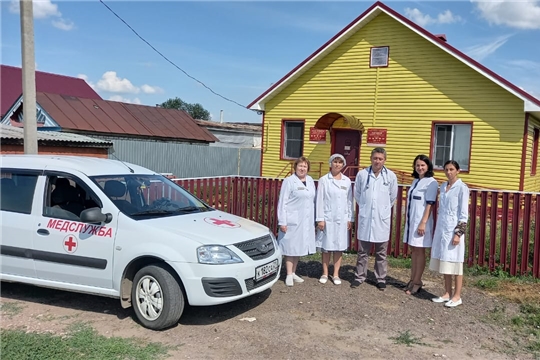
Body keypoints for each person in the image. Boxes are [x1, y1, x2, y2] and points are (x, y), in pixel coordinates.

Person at [351, 147, 398, 290]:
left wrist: (381, 209)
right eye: (375, 158)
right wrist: (367, 207)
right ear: (371, 158)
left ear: (385, 160)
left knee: (381, 253)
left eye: (380, 159)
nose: (377, 161)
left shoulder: (390, 176)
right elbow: (357, 195)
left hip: (381, 218)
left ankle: (381, 279)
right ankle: (360, 276)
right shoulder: (362, 175)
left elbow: (392, 197)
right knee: (362, 251)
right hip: (366, 217)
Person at [429, 160, 469, 307]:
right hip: (442, 228)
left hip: (454, 230)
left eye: (452, 169)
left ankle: (457, 296)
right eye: (446, 169)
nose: (449, 172)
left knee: (456, 263)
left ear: (458, 171)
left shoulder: (462, 188)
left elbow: (464, 214)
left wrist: (458, 233)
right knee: (445, 261)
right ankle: (447, 293)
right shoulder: (444, 186)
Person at [277, 156, 317, 287]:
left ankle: (294, 272)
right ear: (295, 167)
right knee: (290, 247)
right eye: (300, 166)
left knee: (298, 246)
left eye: (305, 166)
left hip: (306, 219)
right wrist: (282, 221)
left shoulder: (310, 180)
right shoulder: (289, 181)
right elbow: (283, 202)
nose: (302, 168)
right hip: (291, 219)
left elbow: (312, 200)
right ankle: (288, 274)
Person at [315, 154, 354, 285]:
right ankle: (325, 273)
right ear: (330, 163)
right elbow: (319, 200)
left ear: (343, 165)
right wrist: (320, 219)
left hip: (341, 218)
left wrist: (349, 218)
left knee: (339, 246)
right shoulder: (324, 180)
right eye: (335, 162)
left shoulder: (347, 181)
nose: (337, 164)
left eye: (340, 162)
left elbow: (349, 201)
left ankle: (336, 274)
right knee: (326, 247)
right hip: (328, 218)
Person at [403, 155, 439, 295]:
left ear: (428, 166)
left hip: (421, 222)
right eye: (417, 165)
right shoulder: (415, 181)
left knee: (420, 251)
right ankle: (412, 279)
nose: (420, 168)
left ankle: (417, 281)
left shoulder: (431, 182)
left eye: (423, 165)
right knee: (414, 251)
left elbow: (430, 204)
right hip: (412, 222)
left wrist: (423, 223)